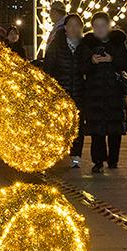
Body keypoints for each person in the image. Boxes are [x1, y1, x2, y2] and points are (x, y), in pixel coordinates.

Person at [78, 12, 127, 173]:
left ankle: (113, 160)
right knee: (97, 131)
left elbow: (126, 64)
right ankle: (98, 161)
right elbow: (82, 67)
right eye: (96, 26)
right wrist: (92, 61)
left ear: (109, 26)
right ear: (92, 27)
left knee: (115, 131)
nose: (100, 29)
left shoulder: (118, 42)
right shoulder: (87, 43)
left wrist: (112, 59)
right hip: (94, 94)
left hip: (115, 94)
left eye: (103, 25)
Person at [43, 14, 85, 167]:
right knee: (58, 126)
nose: (74, 29)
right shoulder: (56, 45)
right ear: (65, 28)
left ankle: (75, 156)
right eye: (71, 25)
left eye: (77, 25)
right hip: (61, 93)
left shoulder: (85, 46)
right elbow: (48, 69)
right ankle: (56, 153)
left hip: (80, 93)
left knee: (78, 126)